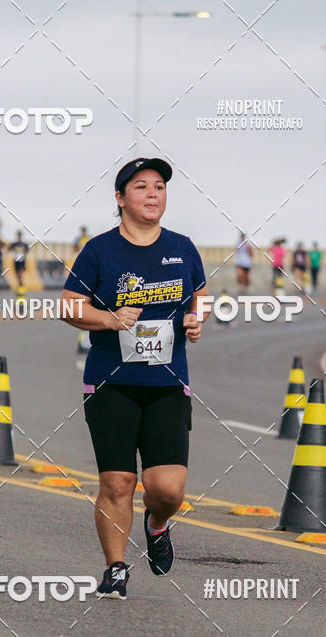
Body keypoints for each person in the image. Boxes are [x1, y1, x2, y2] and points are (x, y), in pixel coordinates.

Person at [61, 157, 210, 599]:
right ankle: (116, 568)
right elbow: (68, 306)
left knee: (167, 488)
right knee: (118, 482)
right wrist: (108, 320)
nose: (152, 193)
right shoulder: (99, 250)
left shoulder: (183, 247)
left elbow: (199, 296)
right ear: (120, 198)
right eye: (141, 186)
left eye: (159, 186)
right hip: (111, 383)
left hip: (167, 384)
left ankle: (157, 524)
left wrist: (195, 321)